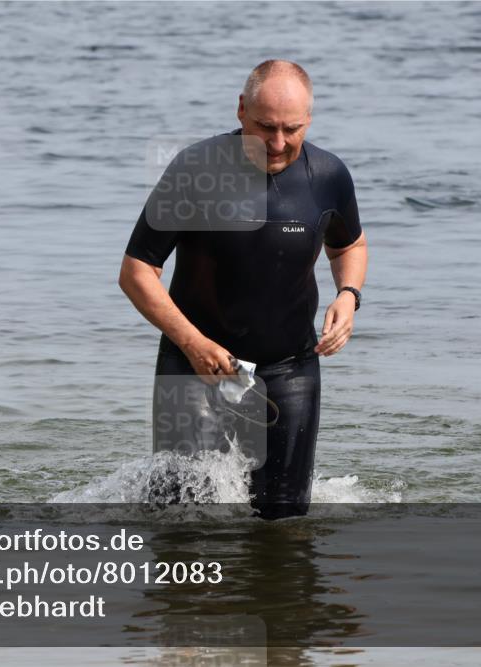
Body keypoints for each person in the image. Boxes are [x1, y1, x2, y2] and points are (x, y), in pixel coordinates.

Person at [119, 60, 367, 519]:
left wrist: (348, 295)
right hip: (194, 367)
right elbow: (136, 272)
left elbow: (349, 244)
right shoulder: (195, 169)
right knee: (181, 521)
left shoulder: (329, 176)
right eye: (264, 126)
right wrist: (193, 344)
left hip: (290, 369)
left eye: (290, 130)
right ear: (240, 110)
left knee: (285, 524)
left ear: (309, 120)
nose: (277, 143)